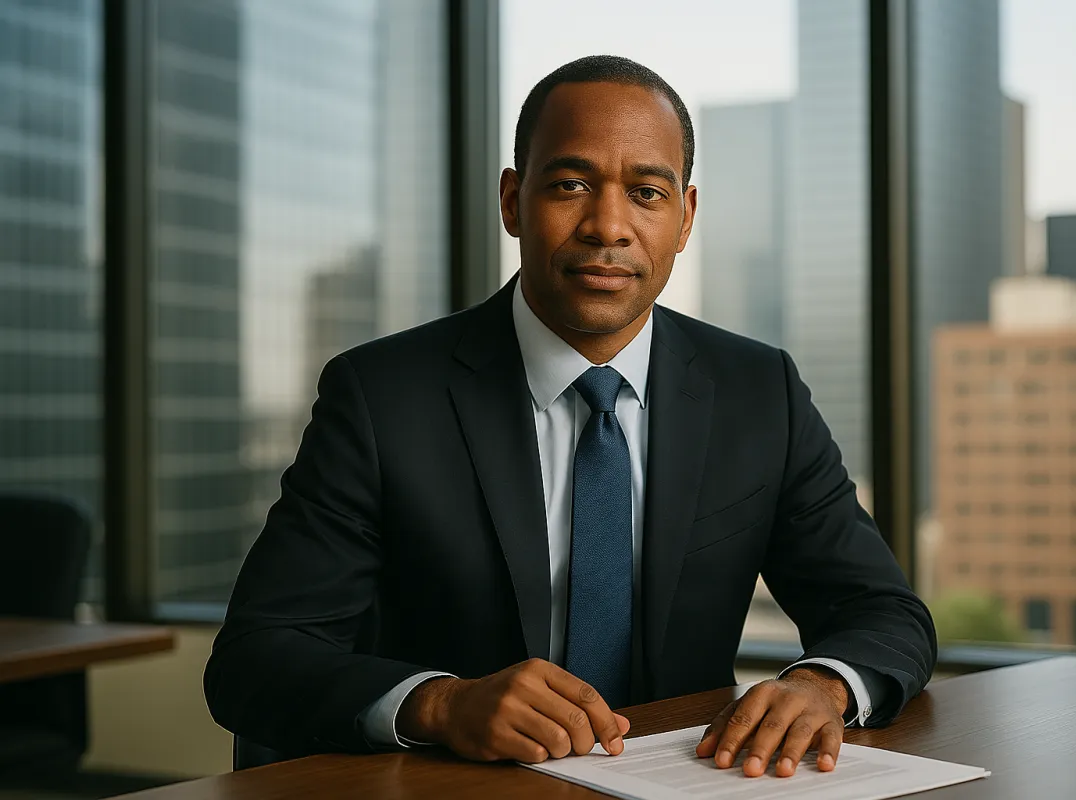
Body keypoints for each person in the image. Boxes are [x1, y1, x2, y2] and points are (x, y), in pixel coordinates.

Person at [204, 55, 936, 779]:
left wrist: (823, 684)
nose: (607, 226)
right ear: (513, 202)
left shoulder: (756, 390)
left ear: (685, 218)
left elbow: (882, 610)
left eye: (647, 192)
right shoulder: (383, 396)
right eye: (570, 185)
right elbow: (257, 658)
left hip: (686, 786)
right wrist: (441, 705)